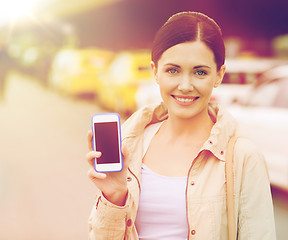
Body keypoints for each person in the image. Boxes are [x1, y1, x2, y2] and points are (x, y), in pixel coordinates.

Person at [86, 11, 276, 239]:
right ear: (155, 71)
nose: (185, 85)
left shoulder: (243, 158)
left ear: (219, 75)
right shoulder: (130, 144)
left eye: (200, 72)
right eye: (172, 70)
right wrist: (115, 197)